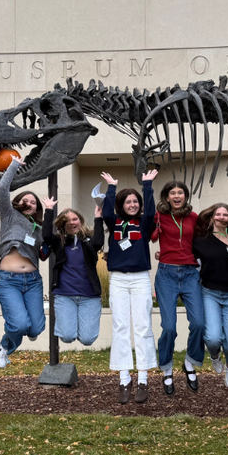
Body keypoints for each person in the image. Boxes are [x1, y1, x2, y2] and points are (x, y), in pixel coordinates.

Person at [101, 168, 158, 404]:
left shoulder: (143, 223)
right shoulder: (114, 223)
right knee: (121, 327)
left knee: (143, 327)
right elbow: (105, 211)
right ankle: (124, 379)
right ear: (121, 204)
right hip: (118, 281)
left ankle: (143, 378)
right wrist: (112, 187)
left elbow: (152, 211)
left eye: (135, 201)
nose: (132, 204)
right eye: (128, 201)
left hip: (140, 279)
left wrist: (147, 186)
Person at [150, 180, 205, 393]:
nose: (176, 196)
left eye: (180, 192)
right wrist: (156, 227)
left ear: (185, 196)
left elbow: (201, 243)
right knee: (169, 327)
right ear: (166, 197)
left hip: (191, 273)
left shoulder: (194, 217)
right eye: (172, 192)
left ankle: (190, 362)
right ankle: (166, 368)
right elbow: (152, 238)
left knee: (199, 323)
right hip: (166, 274)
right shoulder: (160, 216)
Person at [0, 156, 47, 368]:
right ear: (19, 202)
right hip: (8, 280)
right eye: (26, 200)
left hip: (33, 280)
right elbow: (3, 189)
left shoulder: (39, 228)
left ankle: (22, 333)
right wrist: (14, 165)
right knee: (18, 325)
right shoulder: (9, 215)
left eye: (34, 202)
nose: (30, 204)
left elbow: (42, 253)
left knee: (35, 329)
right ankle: (5, 345)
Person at [191, 202, 228, 388]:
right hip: (210, 294)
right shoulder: (201, 240)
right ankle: (214, 355)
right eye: (218, 214)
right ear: (212, 217)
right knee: (213, 339)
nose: (222, 217)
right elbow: (187, 257)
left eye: (225, 214)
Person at [41, 202, 104, 346]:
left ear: (80, 220)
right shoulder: (59, 241)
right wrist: (49, 210)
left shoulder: (88, 241)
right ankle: (66, 327)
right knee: (67, 336)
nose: (71, 222)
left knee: (88, 340)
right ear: (63, 224)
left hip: (89, 296)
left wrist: (98, 217)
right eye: (67, 220)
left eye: (74, 219)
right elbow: (46, 235)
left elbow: (99, 242)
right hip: (65, 295)